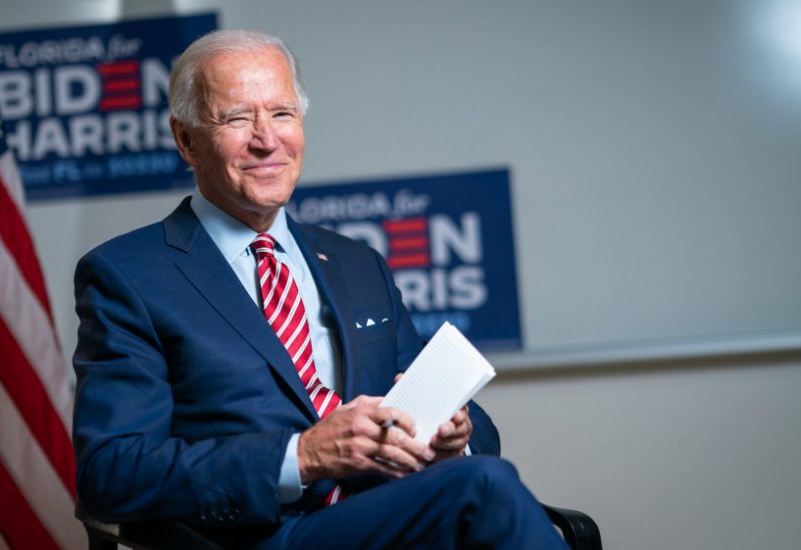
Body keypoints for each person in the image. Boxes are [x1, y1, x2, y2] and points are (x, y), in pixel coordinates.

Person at [72, 29, 567, 549]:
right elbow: (112, 473)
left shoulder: (358, 264)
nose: (267, 138)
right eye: (238, 118)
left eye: (282, 114)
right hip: (260, 537)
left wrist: (453, 439)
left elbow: (462, 420)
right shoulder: (127, 275)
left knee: (477, 478)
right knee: (484, 491)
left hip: (390, 517)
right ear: (186, 139)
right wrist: (303, 456)